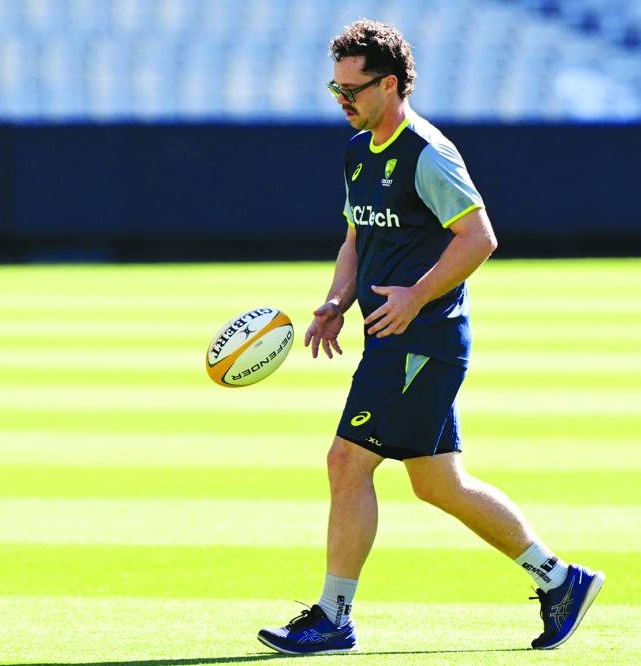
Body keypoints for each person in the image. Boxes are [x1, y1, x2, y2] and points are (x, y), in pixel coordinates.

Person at [257, 19, 604, 655]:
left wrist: (416, 296)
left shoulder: (426, 152)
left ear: (388, 85)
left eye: (352, 91)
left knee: (346, 462)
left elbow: (480, 237)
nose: (342, 102)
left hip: (423, 341)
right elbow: (357, 238)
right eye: (334, 91)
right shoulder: (358, 152)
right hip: (392, 337)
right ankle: (560, 580)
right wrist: (337, 301)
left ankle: (334, 618)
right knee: (437, 482)